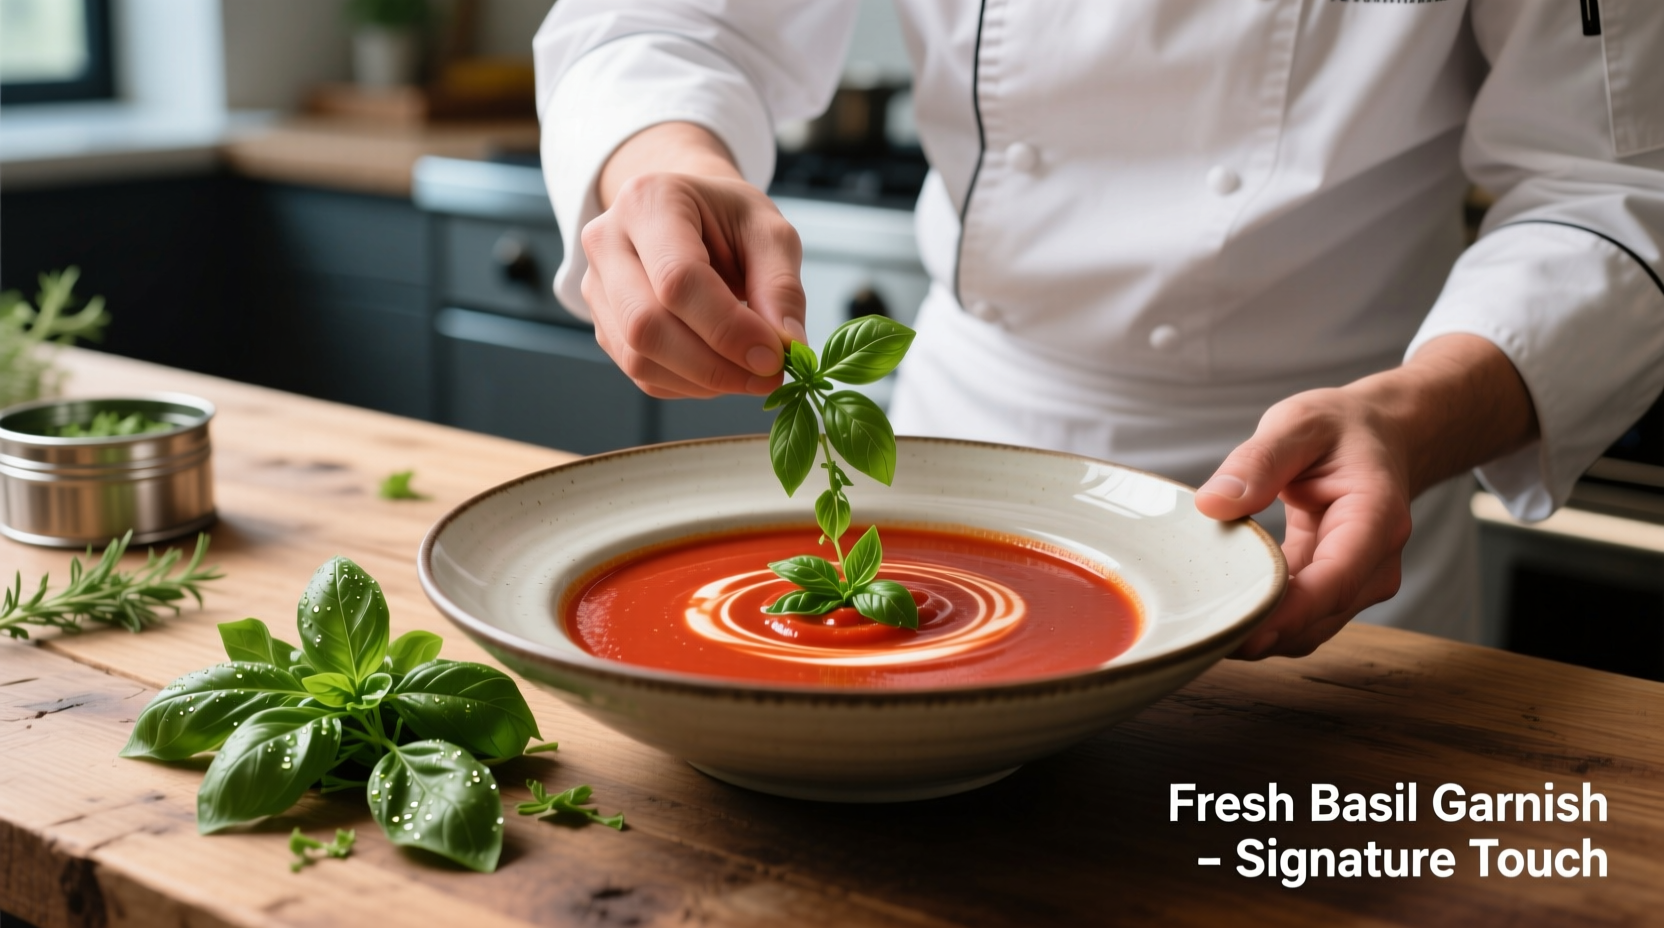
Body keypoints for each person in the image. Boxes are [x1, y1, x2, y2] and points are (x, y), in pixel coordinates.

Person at [530, 2, 1664, 659]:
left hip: (1332, 520)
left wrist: (1415, 416)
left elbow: (1611, 186)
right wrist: (658, 159)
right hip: (960, 446)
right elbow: (661, 15)